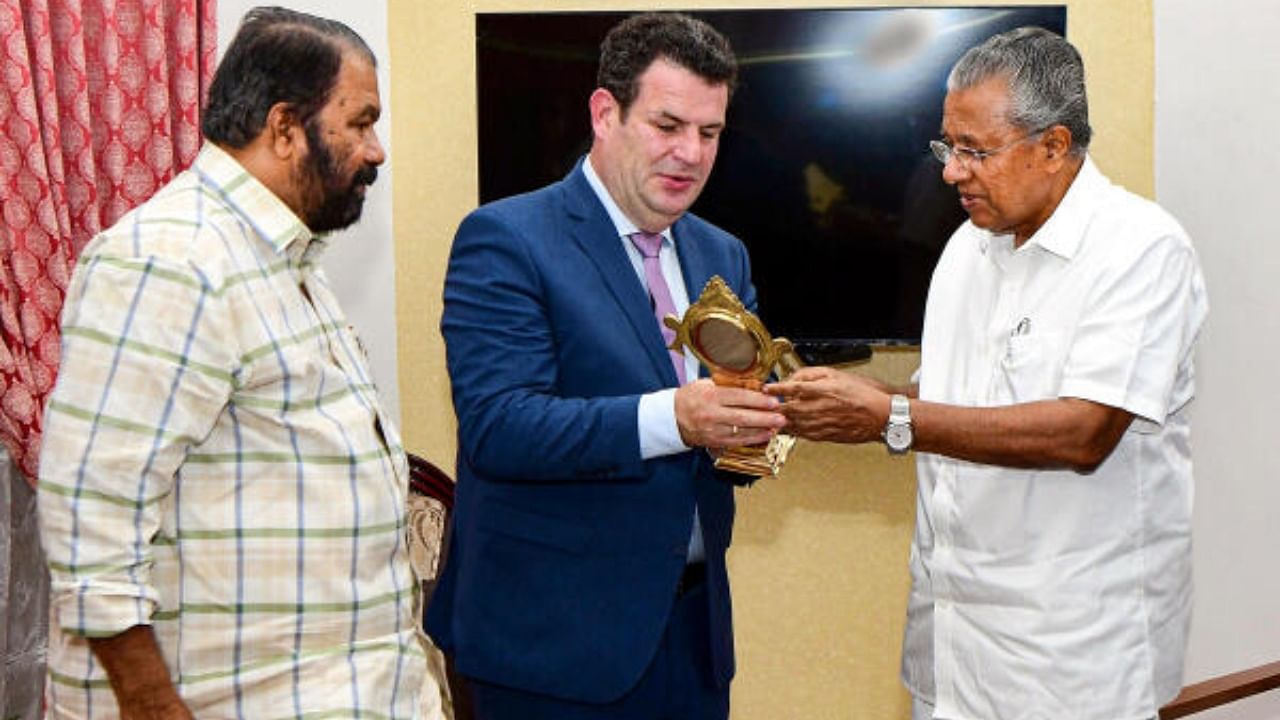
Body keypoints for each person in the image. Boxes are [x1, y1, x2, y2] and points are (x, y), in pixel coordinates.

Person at [768, 27, 1208, 720]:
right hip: (949, 643)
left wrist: (891, 417)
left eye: (975, 151)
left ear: (1055, 146)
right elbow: (956, 402)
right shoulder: (965, 251)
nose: (950, 173)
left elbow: (1083, 431)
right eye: (947, 147)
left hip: (1071, 661)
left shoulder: (1141, 250)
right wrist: (858, 406)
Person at [37, 8, 434, 719]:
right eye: (361, 121)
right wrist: (152, 705)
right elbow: (91, 524)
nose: (376, 150)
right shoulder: (171, 260)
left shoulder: (283, 261)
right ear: (285, 127)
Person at [425, 12, 785, 720]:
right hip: (551, 648)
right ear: (605, 113)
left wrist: (769, 421)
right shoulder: (505, 238)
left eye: (709, 133)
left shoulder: (723, 254)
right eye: (668, 125)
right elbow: (501, 425)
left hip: (692, 636)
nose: (691, 153)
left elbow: (737, 406)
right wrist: (676, 418)